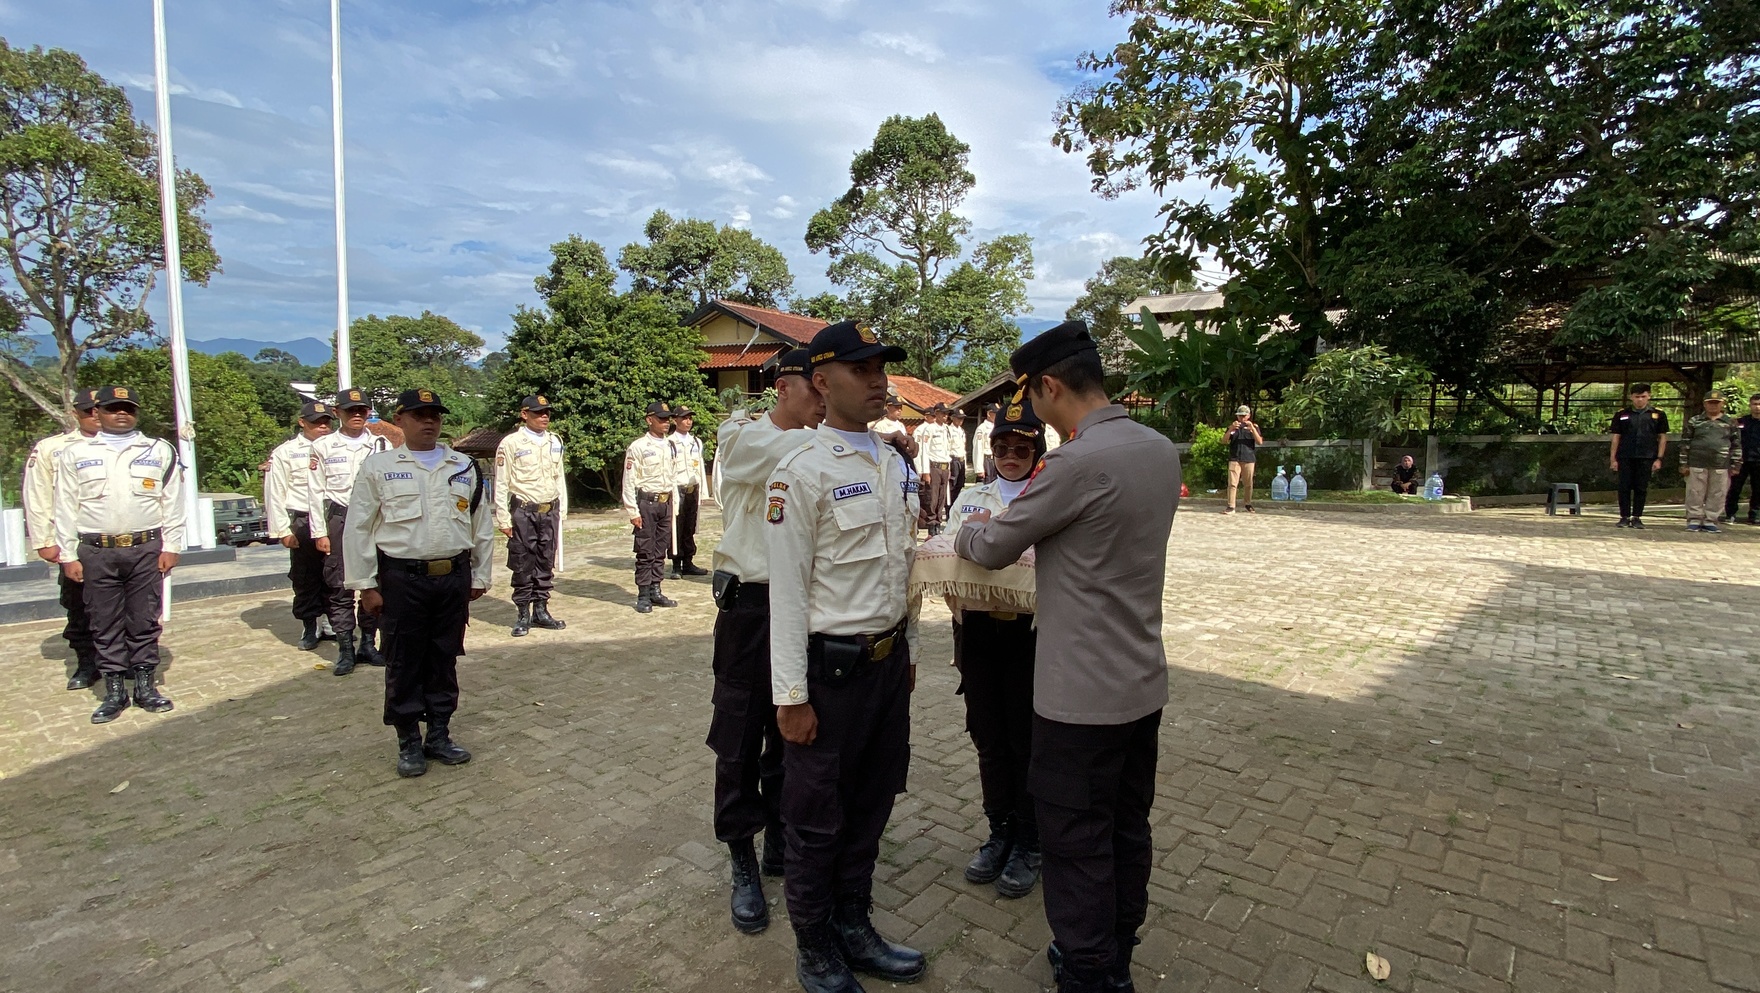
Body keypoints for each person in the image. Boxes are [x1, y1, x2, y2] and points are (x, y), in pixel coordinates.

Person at [954, 321, 1180, 993]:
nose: (1035, 410)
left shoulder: (1075, 463)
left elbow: (992, 546)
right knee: (1126, 827)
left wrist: (968, 527)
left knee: (1075, 841)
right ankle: (1116, 953)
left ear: (1050, 386)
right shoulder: (1159, 449)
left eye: (1033, 396)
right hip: (1141, 684)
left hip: (1078, 699)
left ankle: (1089, 972)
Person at [768, 320, 925, 993]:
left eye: (880, 369)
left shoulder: (894, 463)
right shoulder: (800, 470)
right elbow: (786, 591)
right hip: (828, 677)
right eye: (862, 370)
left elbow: (905, 568)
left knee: (871, 805)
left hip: (886, 666)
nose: (878, 381)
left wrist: (910, 650)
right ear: (822, 381)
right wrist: (790, 695)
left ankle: (854, 926)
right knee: (816, 821)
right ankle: (815, 946)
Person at [707, 347, 825, 935]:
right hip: (752, 607)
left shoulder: (820, 442)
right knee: (739, 736)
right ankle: (742, 858)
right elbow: (799, 455)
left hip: (806, 607)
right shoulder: (744, 437)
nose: (825, 398)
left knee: (791, 731)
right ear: (784, 386)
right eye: (816, 385)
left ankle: (780, 835)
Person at [343, 388, 493, 778]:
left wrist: (480, 574)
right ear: (400, 419)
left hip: (452, 577)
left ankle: (439, 734)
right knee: (404, 660)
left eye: (435, 415)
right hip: (401, 579)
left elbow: (481, 525)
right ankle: (408, 740)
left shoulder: (464, 466)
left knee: (444, 657)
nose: (429, 422)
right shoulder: (379, 467)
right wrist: (366, 584)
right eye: (419, 415)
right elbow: (358, 528)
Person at [947, 398, 1048, 900]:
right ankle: (999, 830)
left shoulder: (1047, 497)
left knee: (1027, 739)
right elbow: (947, 551)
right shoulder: (970, 497)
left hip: (1032, 636)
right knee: (988, 735)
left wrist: (983, 544)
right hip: (979, 632)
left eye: (1021, 448)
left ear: (1037, 450)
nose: (1010, 456)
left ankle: (1031, 841)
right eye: (1002, 447)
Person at [52, 386, 187, 725]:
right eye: (113, 408)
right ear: (97, 413)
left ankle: (145, 687)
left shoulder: (158, 450)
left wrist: (172, 545)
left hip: (145, 548)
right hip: (96, 550)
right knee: (104, 621)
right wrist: (68, 554)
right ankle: (114, 692)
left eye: (128, 408)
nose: (121, 413)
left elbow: (172, 502)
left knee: (144, 619)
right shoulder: (76, 453)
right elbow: (64, 506)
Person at [308, 387, 392, 673]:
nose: (357, 415)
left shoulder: (380, 444)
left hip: (375, 519)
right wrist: (319, 532)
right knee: (339, 584)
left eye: (361, 410)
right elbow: (314, 492)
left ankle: (368, 642)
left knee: (375, 581)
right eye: (350, 410)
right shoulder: (323, 446)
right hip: (340, 517)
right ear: (337, 413)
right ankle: (345, 648)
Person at [23, 388, 101, 690]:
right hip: (75, 541)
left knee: (129, 605)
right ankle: (87, 662)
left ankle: (129, 660)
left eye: (101, 408)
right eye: (88, 410)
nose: (95, 415)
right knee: (79, 605)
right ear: (74, 413)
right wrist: (43, 540)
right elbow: (37, 494)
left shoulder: (135, 446)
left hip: (120, 538)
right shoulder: (52, 448)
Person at [494, 395, 568, 636]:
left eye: (547, 412)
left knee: (545, 560)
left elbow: (559, 477)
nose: (544, 416)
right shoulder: (511, 443)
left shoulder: (554, 441)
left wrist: (562, 510)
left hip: (549, 509)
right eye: (538, 413)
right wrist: (503, 518)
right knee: (523, 562)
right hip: (524, 511)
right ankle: (523, 613)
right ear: (524, 414)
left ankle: (541, 610)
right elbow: (501, 482)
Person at [266, 401, 335, 651]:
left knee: (334, 574)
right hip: (303, 519)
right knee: (305, 576)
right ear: (302, 422)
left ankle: (331, 622)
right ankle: (310, 624)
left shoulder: (337, 447)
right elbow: (275, 492)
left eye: (326, 421)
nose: (322, 426)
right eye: (316, 422)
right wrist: (282, 530)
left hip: (333, 517)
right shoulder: (286, 452)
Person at [623, 401, 681, 613]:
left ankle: (656, 589)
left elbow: (673, 477)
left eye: (668, 419)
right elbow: (629, 480)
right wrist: (632, 511)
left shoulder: (670, 445)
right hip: (647, 503)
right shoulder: (638, 447)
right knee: (645, 550)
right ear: (649, 420)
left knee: (660, 550)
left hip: (666, 503)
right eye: (661, 419)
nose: (666, 423)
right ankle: (643, 594)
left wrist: (675, 504)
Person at [1678, 392, 1741, 533]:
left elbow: (1736, 444)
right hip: (1697, 462)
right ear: (1704, 404)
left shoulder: (1730, 422)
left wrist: (1736, 464)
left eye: (1716, 402)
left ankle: (1711, 520)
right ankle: (1694, 519)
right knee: (1695, 492)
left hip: (1721, 464)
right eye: (1710, 402)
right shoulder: (1695, 421)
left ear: (1722, 404)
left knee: (1718, 493)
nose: (1713, 405)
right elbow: (1685, 442)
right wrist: (1683, 463)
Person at [1609, 384, 1668, 529]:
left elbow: (1662, 437)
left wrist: (1659, 458)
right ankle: (1624, 516)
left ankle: (1637, 517)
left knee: (1641, 487)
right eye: (1637, 397)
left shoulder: (1658, 414)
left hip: (1646, 456)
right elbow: (1616, 437)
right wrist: (1613, 458)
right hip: (1625, 456)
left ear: (1649, 396)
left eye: (1643, 396)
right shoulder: (1622, 414)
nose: (1640, 400)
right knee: (1624, 487)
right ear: (1631, 397)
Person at [670, 405, 711, 579]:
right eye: (684, 418)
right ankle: (676, 565)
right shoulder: (670, 442)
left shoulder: (696, 442)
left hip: (692, 489)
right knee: (676, 528)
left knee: (690, 527)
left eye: (690, 418)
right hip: (677, 489)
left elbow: (699, 467)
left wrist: (703, 493)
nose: (688, 421)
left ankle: (688, 562)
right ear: (675, 420)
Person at [915, 403, 955, 535]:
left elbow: (948, 450)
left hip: (945, 466)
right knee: (932, 497)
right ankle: (932, 526)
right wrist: (925, 471)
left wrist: (949, 468)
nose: (945, 416)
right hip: (934, 466)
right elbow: (924, 451)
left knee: (942, 497)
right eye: (943, 413)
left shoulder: (947, 429)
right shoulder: (929, 429)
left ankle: (938, 522)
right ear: (936, 413)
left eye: (947, 414)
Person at [1723, 394, 1760, 525]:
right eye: (1755, 404)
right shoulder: (1741, 422)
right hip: (1741, 460)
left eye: (1759, 404)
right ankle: (1730, 514)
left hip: (1758, 461)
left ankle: (1754, 515)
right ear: (1750, 405)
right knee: (1734, 488)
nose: (1757, 407)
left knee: (1758, 490)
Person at [1222, 405, 1261, 513]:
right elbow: (1224, 441)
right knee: (1232, 483)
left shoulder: (1254, 427)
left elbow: (1259, 441)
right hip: (1235, 458)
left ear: (1248, 416)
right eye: (1240, 416)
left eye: (1244, 416)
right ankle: (1231, 506)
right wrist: (1231, 429)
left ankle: (1248, 503)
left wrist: (1252, 429)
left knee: (1248, 483)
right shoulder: (1233, 427)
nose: (1242, 418)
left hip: (1248, 458)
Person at [948, 407, 969, 505]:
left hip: (961, 459)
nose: (961, 420)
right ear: (952, 418)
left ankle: (955, 504)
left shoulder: (962, 431)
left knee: (960, 484)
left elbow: (963, 448)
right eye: (959, 418)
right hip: (953, 459)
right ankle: (949, 506)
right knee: (952, 485)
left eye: (962, 418)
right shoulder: (949, 430)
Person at [972, 403, 998, 482]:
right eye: (995, 413)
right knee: (987, 484)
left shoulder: (997, 427)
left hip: (996, 459)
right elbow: (978, 449)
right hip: (986, 460)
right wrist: (979, 469)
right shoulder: (982, 428)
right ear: (989, 414)